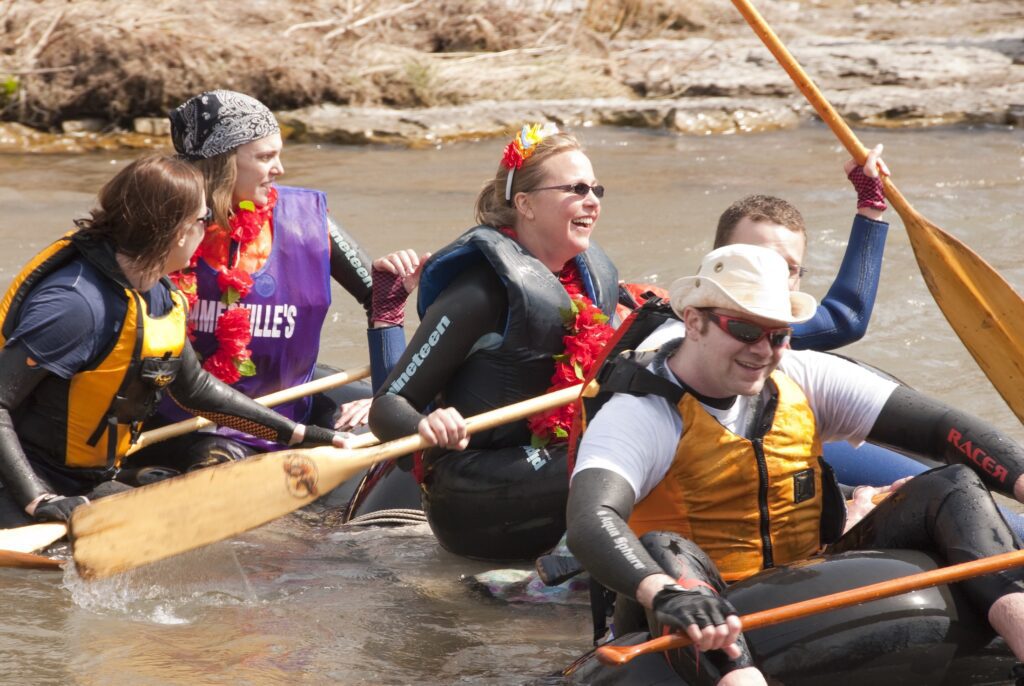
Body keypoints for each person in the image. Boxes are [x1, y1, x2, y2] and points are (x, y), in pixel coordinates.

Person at [566, 243, 1024, 685]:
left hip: (806, 582)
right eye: (744, 330)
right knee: (662, 546)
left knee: (952, 485)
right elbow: (591, 518)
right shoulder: (642, 413)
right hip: (706, 604)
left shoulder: (802, 376)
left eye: (778, 335)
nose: (762, 350)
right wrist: (662, 592)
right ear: (693, 321)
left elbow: (944, 429)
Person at [0, 155, 349, 526]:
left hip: (84, 478)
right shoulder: (76, 306)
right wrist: (38, 499)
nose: (212, 226)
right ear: (178, 231)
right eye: (204, 219)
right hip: (20, 483)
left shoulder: (155, 291)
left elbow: (195, 390)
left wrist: (297, 434)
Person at [131, 89, 424, 475]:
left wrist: (388, 398)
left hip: (278, 422)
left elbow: (381, 299)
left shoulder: (307, 221)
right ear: (222, 165)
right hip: (171, 423)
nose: (280, 169)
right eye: (266, 157)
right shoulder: (161, 227)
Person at [368, 123, 619, 560]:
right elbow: (387, 406)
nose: (592, 200)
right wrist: (424, 426)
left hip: (549, 464)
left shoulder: (590, 278)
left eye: (596, 188)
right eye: (576, 188)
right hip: (471, 491)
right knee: (607, 460)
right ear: (525, 204)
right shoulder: (479, 293)